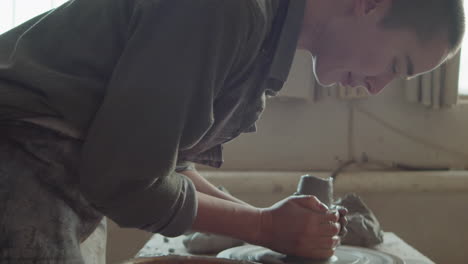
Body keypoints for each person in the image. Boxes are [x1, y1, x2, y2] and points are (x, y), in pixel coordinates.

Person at [0, 0, 464, 263]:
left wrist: (272, 224)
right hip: (17, 155)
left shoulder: (263, 37)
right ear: (369, 5)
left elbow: (164, 164)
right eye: (396, 66)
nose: (376, 87)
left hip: (60, 179)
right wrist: (263, 226)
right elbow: (124, 182)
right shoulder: (230, 10)